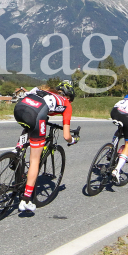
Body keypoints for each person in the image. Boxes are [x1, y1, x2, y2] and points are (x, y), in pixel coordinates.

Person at [12, 80, 78, 213]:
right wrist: (73, 140)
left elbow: (29, 100)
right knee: (35, 160)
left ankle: (17, 149)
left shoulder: (42, 90)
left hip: (19, 109)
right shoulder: (66, 104)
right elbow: (66, 135)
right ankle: (26, 200)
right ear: (69, 97)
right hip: (36, 115)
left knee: (29, 125)